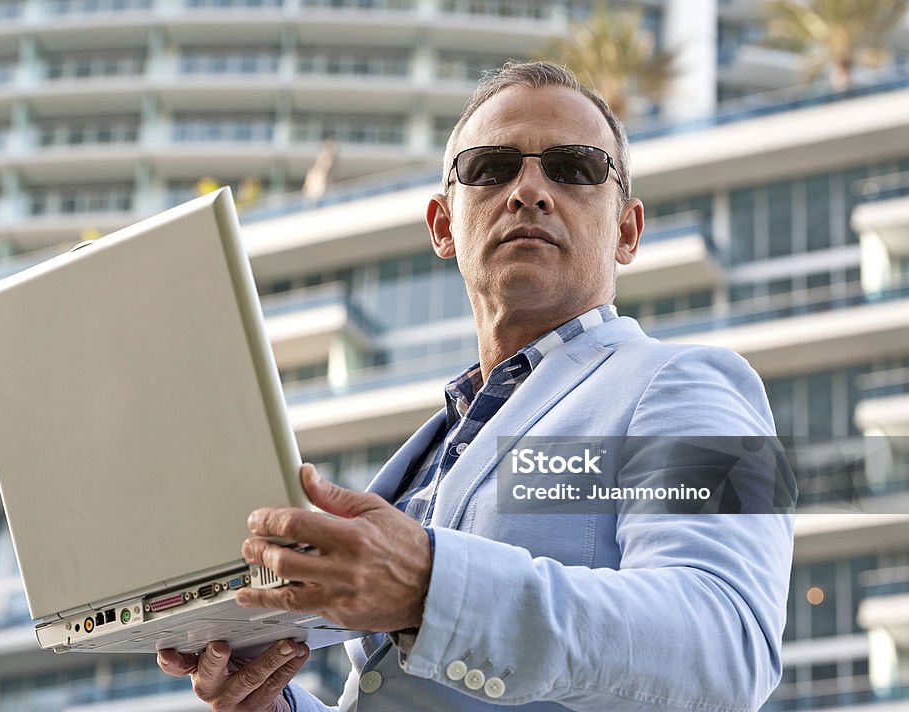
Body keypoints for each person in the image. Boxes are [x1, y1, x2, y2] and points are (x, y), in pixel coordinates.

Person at [157, 60, 794, 711]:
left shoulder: (694, 383)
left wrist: (430, 587)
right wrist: (270, 702)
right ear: (442, 225)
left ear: (627, 231)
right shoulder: (429, 454)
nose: (529, 190)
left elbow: (726, 642)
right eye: (491, 168)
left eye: (573, 168)